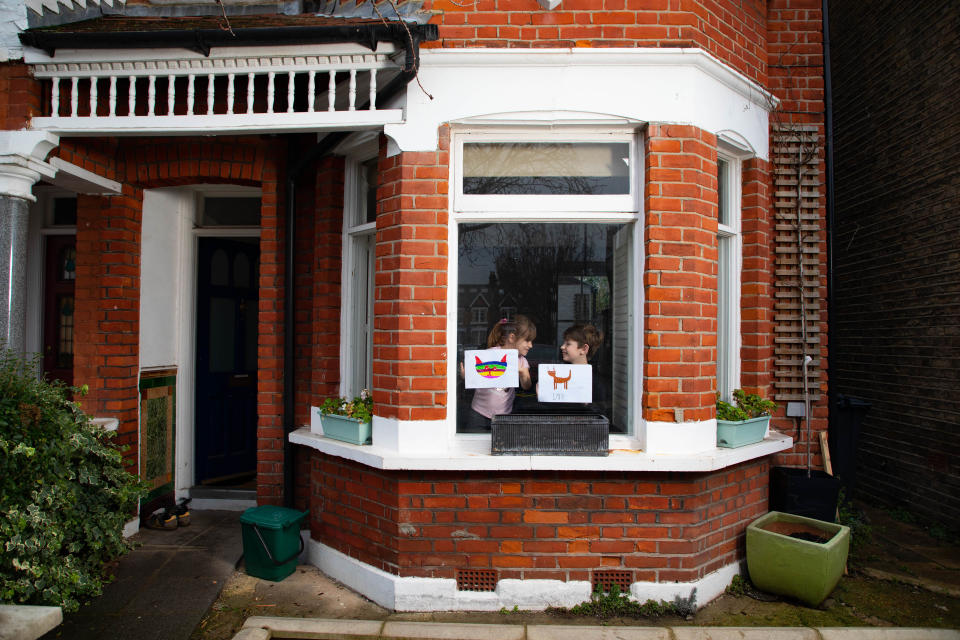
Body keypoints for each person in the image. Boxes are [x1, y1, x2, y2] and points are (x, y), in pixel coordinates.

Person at [467, 315, 536, 430]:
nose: (531, 345)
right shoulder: (490, 354)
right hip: (479, 413)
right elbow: (475, 376)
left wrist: (523, 373)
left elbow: (526, 385)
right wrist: (467, 375)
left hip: (503, 416)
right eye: (527, 341)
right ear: (512, 338)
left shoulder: (521, 360)